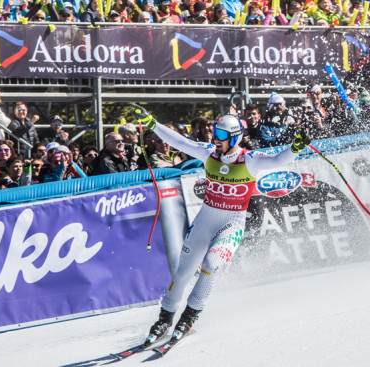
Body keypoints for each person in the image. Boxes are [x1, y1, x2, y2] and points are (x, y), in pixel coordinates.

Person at [133, 108, 311, 346]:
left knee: (210, 265)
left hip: (232, 224)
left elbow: (278, 160)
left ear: (235, 137)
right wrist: (152, 123)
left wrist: (296, 147)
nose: (215, 138)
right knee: (184, 271)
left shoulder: (249, 160)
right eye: (215, 132)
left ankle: (189, 317)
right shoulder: (209, 154)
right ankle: (165, 318)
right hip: (205, 221)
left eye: (221, 134)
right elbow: (179, 141)